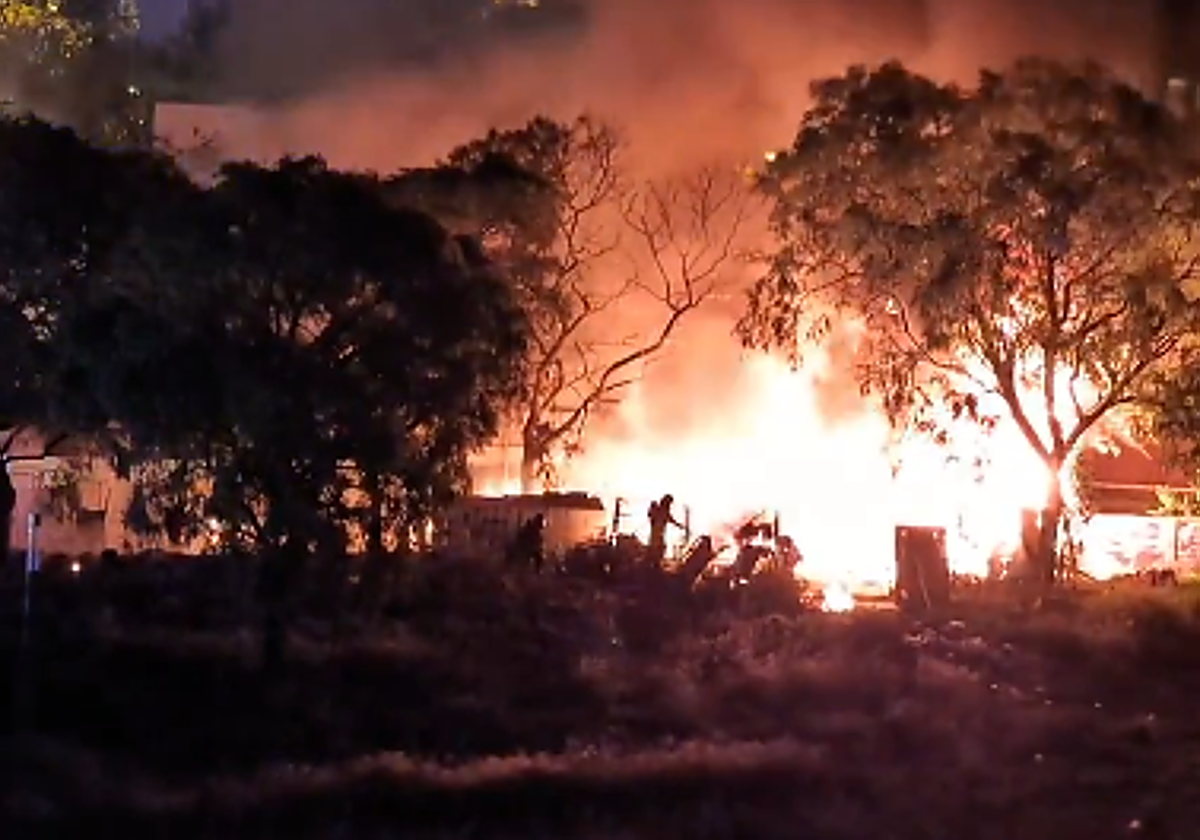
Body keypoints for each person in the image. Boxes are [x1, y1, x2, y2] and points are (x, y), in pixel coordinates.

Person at [646, 494, 683, 565]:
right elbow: (651, 516)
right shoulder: (661, 511)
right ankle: (653, 565)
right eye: (670, 503)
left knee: (659, 548)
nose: (670, 506)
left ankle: (654, 564)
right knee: (657, 549)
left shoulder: (662, 511)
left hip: (658, 535)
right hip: (656, 536)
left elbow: (671, 520)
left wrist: (679, 526)